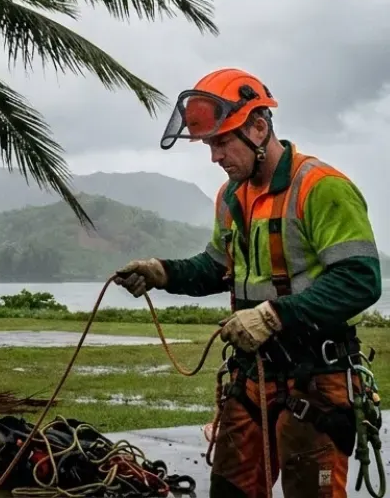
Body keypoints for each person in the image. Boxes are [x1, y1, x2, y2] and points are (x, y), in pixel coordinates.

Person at [116, 67, 382, 497]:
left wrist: (275, 316)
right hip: (252, 374)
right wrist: (163, 272)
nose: (215, 156)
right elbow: (216, 266)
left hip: (314, 375)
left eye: (222, 141)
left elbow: (360, 280)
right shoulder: (231, 196)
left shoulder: (321, 187)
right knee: (230, 489)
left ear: (259, 128)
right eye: (209, 144)